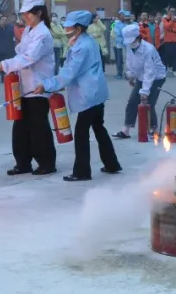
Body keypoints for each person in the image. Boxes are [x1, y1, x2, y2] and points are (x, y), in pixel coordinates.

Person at [35, 11, 122, 182]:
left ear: (78, 28)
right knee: (99, 128)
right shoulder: (85, 42)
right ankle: (112, 164)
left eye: (68, 26)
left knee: (81, 132)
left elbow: (69, 73)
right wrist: (55, 84)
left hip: (89, 94)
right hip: (96, 93)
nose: (65, 28)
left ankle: (82, 171)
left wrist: (47, 85)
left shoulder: (82, 47)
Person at [0, 0, 57, 176]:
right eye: (24, 13)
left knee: (38, 128)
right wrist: (8, 63)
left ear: (39, 12)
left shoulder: (43, 34)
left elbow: (29, 58)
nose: (25, 17)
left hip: (38, 87)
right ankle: (23, 163)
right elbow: (20, 51)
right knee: (20, 127)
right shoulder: (29, 31)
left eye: (29, 13)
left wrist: (4, 65)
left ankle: (47, 163)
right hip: (24, 87)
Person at [113, 23, 167, 139]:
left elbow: (150, 72)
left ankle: (154, 129)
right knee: (132, 101)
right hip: (141, 76)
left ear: (138, 37)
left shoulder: (148, 49)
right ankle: (126, 130)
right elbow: (130, 63)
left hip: (157, 77)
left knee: (148, 103)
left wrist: (145, 91)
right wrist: (131, 76)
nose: (130, 43)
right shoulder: (129, 46)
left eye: (132, 40)